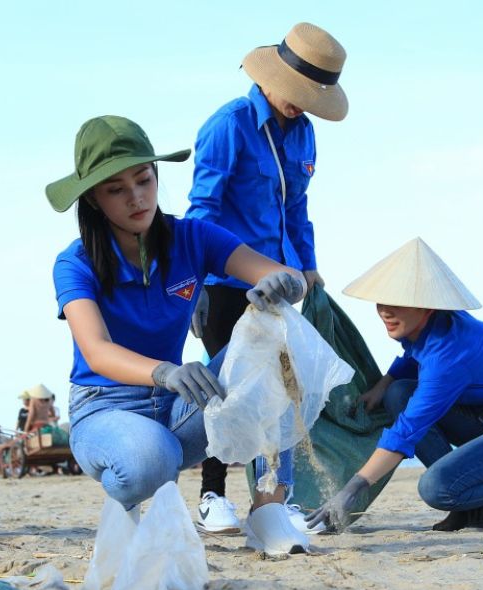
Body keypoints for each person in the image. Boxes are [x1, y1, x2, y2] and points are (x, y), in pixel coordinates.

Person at [48, 115, 312, 554]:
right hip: (106, 407)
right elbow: (96, 351)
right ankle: (127, 499)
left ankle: (270, 510)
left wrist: (284, 284)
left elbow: (286, 276)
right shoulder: (74, 262)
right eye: (116, 189)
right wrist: (166, 372)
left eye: (144, 180)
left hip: (179, 407)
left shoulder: (193, 237)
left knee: (273, 343)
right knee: (151, 459)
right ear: (93, 200)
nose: (137, 198)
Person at [186, 22, 348, 535]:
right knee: (229, 389)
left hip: (282, 288)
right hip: (226, 283)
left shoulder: (304, 132)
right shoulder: (228, 125)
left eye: (313, 96)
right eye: (298, 92)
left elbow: (296, 207)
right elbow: (202, 212)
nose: (302, 104)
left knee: (285, 389)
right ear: (271, 76)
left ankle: (273, 498)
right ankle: (212, 497)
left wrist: (309, 264)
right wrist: (191, 287)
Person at [306, 238, 483, 532]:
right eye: (383, 301)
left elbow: (407, 431)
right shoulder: (430, 327)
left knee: (438, 488)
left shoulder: (450, 357)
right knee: (399, 391)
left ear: (427, 307)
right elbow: (413, 356)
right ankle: (474, 512)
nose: (386, 312)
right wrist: (383, 383)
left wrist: (349, 492)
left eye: (399, 303)